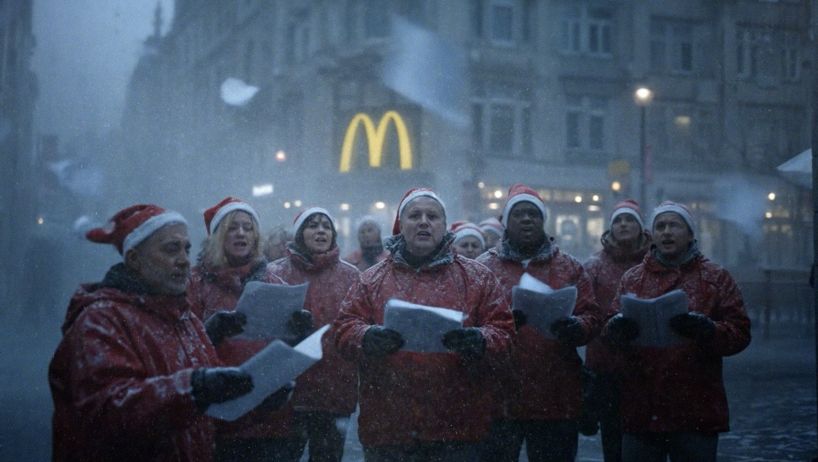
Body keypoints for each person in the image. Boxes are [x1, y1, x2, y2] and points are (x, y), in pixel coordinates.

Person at [48, 204, 254, 461]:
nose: (183, 259)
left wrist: (257, 402)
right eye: (171, 249)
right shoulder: (101, 320)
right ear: (134, 259)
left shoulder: (186, 319)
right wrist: (194, 387)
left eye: (186, 249)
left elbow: (207, 418)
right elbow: (110, 411)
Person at [333, 188, 514, 462]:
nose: (424, 222)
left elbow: (504, 331)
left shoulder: (477, 277)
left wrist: (480, 340)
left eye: (433, 216)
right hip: (389, 427)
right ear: (401, 225)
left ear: (444, 225)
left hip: (458, 426)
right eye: (414, 215)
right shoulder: (370, 280)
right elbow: (344, 327)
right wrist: (367, 337)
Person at [603, 201, 751, 462]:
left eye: (674, 225)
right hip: (642, 406)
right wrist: (617, 330)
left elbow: (740, 331)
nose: (667, 232)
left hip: (696, 406)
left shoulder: (715, 277)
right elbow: (610, 327)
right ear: (652, 234)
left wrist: (708, 330)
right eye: (660, 226)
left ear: (691, 234)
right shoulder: (632, 278)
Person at [477, 184, 603, 462]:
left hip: (555, 396)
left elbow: (592, 315)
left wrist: (577, 327)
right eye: (519, 214)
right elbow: (470, 319)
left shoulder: (569, 267)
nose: (526, 219)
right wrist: (502, 325)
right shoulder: (484, 267)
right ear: (505, 222)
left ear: (543, 220)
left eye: (533, 214)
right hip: (499, 396)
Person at [188, 197, 310, 462]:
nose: (241, 233)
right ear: (218, 236)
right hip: (218, 414)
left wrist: (298, 332)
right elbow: (178, 348)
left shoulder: (273, 281)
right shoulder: (194, 283)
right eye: (233, 227)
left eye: (247, 227)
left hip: (271, 415)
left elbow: (285, 350)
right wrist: (210, 333)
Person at [268, 207, 360, 462]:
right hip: (287, 393)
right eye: (312, 225)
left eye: (326, 226)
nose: (320, 230)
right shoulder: (274, 272)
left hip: (334, 391)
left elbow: (358, 323)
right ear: (299, 234)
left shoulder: (351, 275)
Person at [582, 199, 651, 462]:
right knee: (613, 439)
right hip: (606, 364)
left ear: (641, 227)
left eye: (629, 219)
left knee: (645, 439)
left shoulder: (655, 262)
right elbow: (585, 308)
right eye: (618, 220)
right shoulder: (595, 266)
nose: (623, 224)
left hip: (647, 363)